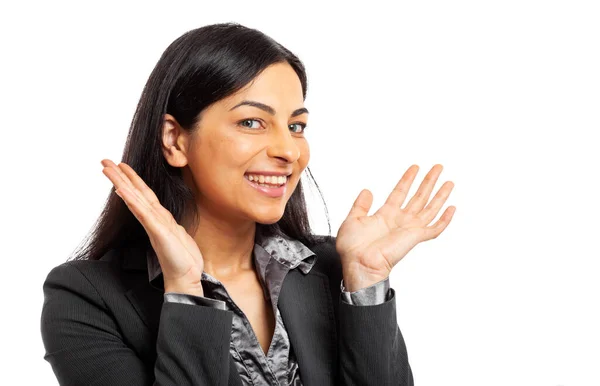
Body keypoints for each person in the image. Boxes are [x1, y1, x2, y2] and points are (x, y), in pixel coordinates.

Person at [40, 22, 456, 386]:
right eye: (252, 122)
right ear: (175, 140)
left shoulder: (331, 270)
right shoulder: (84, 298)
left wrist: (365, 283)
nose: (289, 150)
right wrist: (187, 289)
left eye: (296, 126)